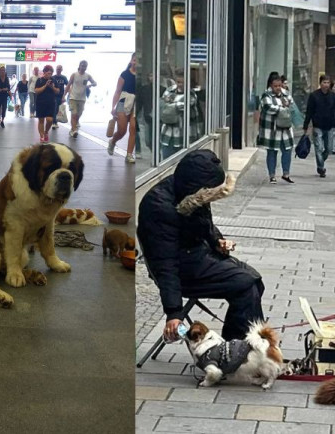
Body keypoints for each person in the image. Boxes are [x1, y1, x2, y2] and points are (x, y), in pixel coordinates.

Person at [137, 149, 265, 341]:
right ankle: (240, 348)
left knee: (255, 281)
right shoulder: (160, 206)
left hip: (196, 255)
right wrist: (174, 312)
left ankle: (238, 344)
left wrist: (217, 241)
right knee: (246, 285)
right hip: (181, 269)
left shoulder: (189, 190)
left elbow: (205, 224)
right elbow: (165, 263)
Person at [159, 69, 199, 160]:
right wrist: (170, 104)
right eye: (178, 82)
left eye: (182, 82)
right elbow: (162, 105)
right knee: (166, 161)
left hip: (184, 136)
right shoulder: (170, 89)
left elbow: (183, 105)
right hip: (168, 135)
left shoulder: (191, 94)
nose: (180, 84)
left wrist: (170, 103)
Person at [303, 74, 335, 178]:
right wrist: (306, 125)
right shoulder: (314, 96)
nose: (326, 85)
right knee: (318, 147)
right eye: (324, 82)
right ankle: (321, 167)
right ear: (320, 83)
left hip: (330, 125)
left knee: (329, 148)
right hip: (317, 125)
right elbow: (309, 111)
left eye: (328, 83)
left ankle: (321, 159)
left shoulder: (333, 96)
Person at [107, 53, 137, 164]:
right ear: (131, 61)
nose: (136, 63)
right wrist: (113, 107)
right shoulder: (124, 74)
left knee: (134, 128)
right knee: (122, 130)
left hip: (136, 103)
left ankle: (129, 154)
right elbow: (117, 91)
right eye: (134, 60)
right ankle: (113, 141)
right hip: (124, 102)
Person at [65, 60, 97, 138]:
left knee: (79, 114)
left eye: (85, 66)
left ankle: (74, 127)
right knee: (74, 114)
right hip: (73, 98)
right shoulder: (74, 75)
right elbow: (68, 85)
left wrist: (90, 85)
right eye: (82, 66)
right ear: (79, 66)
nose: (83, 67)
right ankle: (73, 130)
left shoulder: (87, 76)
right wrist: (64, 95)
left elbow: (95, 83)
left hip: (82, 99)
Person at [34, 65, 59, 143]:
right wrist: (45, 86)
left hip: (51, 103)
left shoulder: (54, 80)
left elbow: (57, 91)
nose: (50, 75)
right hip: (40, 103)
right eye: (48, 73)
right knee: (41, 120)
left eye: (51, 73)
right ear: (44, 72)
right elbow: (36, 91)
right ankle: (41, 136)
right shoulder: (39, 80)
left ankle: (46, 131)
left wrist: (52, 87)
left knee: (50, 120)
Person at [51, 65, 68, 129]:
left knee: (58, 109)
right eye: (57, 69)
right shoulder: (53, 77)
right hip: (54, 96)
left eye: (59, 69)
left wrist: (64, 96)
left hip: (61, 96)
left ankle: (55, 121)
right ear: (56, 69)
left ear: (61, 70)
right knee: (54, 109)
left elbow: (68, 86)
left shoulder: (64, 77)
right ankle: (54, 122)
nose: (58, 70)